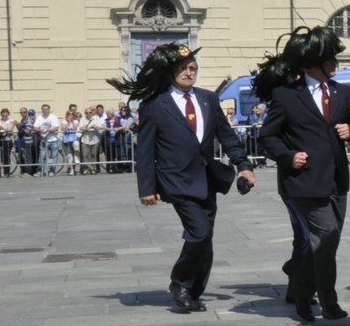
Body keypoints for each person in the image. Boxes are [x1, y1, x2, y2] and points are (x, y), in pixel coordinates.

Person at [109, 44, 256, 312]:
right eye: (183, 69)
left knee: (205, 238)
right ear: (171, 72)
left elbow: (227, 136)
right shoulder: (155, 104)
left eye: (193, 69)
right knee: (199, 233)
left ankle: (193, 291)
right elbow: (145, 150)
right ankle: (180, 283)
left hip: (207, 179)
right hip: (175, 180)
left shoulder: (208, 99)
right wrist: (146, 188)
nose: (189, 73)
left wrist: (244, 165)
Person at [257, 26, 350, 325]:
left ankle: (305, 288)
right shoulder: (287, 95)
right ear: (314, 61)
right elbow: (267, 136)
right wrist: (289, 156)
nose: (335, 63)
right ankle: (323, 300)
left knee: (329, 241)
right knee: (325, 235)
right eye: (329, 58)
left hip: (337, 180)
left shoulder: (342, 93)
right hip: (304, 181)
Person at [35, 104, 63, 176]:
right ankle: (41, 170)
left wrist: (47, 130)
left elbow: (56, 127)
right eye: (43, 109)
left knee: (54, 156)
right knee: (42, 155)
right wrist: (40, 130)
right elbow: (35, 127)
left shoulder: (53, 117)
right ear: (42, 110)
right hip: (44, 139)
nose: (45, 110)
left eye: (46, 109)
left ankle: (52, 171)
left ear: (49, 110)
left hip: (53, 139)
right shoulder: (39, 118)